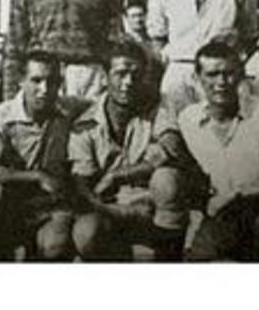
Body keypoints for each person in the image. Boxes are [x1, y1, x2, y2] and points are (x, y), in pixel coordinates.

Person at [175, 41, 259, 261]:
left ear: (241, 75)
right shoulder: (188, 119)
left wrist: (237, 193)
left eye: (228, 74)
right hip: (215, 216)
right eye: (212, 74)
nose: (221, 82)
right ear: (197, 79)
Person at [69, 40, 189, 261]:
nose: (128, 83)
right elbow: (82, 188)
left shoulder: (158, 108)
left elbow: (169, 150)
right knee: (86, 233)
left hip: (150, 208)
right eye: (120, 74)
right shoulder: (86, 124)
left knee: (168, 178)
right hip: (108, 209)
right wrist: (117, 212)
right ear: (105, 77)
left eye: (136, 74)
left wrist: (117, 174)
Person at [0, 49, 90, 261]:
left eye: (52, 82)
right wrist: (35, 176)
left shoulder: (69, 109)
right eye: (36, 80)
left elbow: (105, 102)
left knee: (55, 247)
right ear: (21, 80)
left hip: (52, 203)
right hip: (12, 202)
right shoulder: (4, 115)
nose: (44, 89)